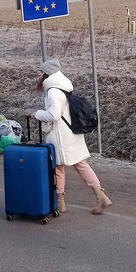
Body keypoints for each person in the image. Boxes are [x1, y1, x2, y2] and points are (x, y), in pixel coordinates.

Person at [31, 59, 112, 215]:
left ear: (47, 73)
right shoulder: (62, 87)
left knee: (59, 168)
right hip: (70, 133)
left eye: (42, 72)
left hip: (60, 136)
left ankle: (61, 203)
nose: (40, 74)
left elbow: (54, 115)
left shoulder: (53, 91)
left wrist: (37, 114)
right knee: (81, 164)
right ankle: (99, 195)